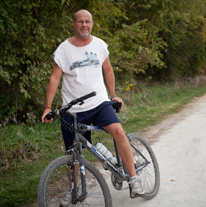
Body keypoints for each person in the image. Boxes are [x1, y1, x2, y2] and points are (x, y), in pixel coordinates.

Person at [41, 9, 144, 206]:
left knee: (119, 133)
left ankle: (133, 179)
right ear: (74, 24)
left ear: (92, 24)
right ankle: (74, 191)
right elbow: (54, 78)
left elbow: (108, 70)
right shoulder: (63, 49)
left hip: (99, 104)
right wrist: (47, 107)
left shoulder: (99, 45)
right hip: (72, 110)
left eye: (87, 21)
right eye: (80, 22)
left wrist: (113, 95)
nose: (84, 25)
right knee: (72, 154)